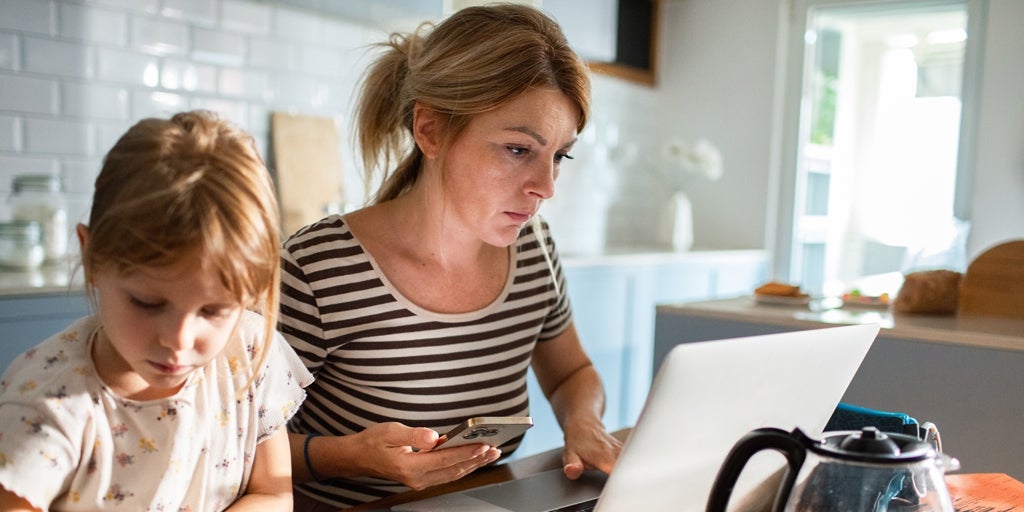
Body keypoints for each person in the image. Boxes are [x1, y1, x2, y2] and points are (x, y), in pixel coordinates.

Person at [279, 4, 622, 509]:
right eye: (517, 149)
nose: (546, 186)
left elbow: (572, 374)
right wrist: (352, 457)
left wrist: (584, 422)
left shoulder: (533, 249)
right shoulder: (317, 268)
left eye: (560, 155)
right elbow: (233, 445)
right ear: (431, 131)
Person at [0, 110, 313, 511]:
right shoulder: (48, 407)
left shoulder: (249, 350)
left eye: (214, 310)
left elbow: (272, 493)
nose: (178, 340)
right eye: (148, 303)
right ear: (91, 257)